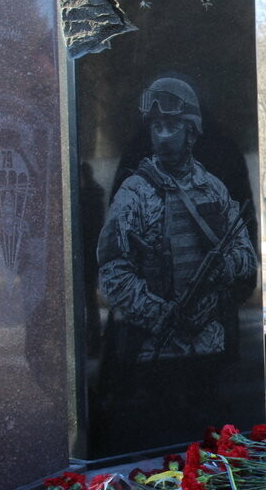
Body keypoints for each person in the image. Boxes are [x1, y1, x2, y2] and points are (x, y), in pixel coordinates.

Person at [96, 76, 257, 453]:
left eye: (173, 126)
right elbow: (113, 270)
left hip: (209, 340)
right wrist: (160, 314)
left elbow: (245, 256)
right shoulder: (135, 193)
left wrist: (225, 267)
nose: (164, 135)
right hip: (156, 343)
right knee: (158, 437)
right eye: (157, 127)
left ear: (191, 132)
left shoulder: (212, 188)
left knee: (210, 436)